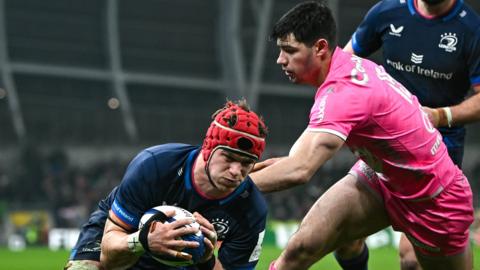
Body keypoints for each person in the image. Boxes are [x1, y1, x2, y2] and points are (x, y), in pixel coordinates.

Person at [250, 1, 474, 270]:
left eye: (289, 51)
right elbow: (299, 158)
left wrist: (223, 190)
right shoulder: (345, 63)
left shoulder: (343, 94)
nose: (280, 60)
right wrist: (262, 171)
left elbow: (299, 170)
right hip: (381, 176)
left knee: (412, 263)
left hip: (434, 197)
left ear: (320, 48)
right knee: (301, 249)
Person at [339, 0, 480, 268]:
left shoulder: (471, 29)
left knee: (412, 260)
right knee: (344, 237)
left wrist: (440, 115)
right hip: (385, 148)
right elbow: (344, 67)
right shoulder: (387, 11)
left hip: (438, 154)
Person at [64, 99, 269, 270]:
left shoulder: (252, 211)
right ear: (208, 149)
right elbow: (109, 258)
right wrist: (144, 241)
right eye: (228, 157)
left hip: (186, 260)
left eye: (246, 163)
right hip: (124, 230)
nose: (236, 171)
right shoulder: (155, 165)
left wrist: (207, 260)